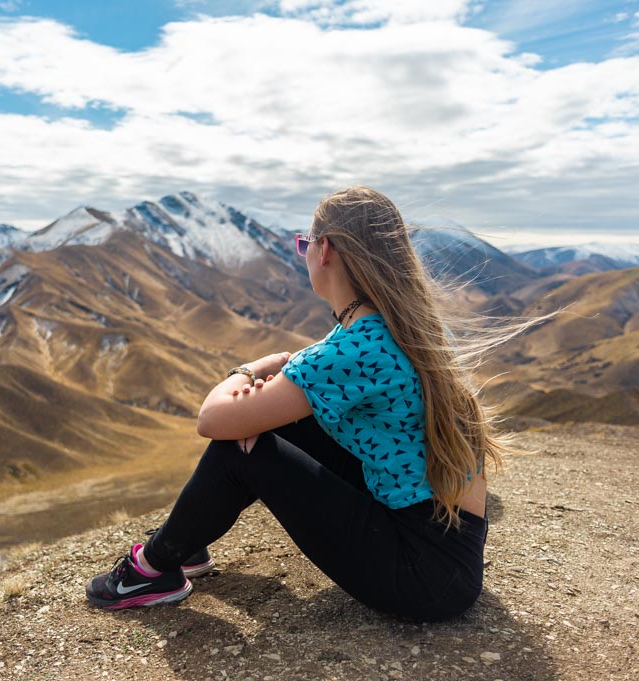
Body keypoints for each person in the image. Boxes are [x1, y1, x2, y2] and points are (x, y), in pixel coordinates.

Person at [86, 186, 505, 622]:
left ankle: (151, 569)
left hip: (423, 574)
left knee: (240, 444)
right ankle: (186, 539)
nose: (305, 253)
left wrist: (250, 369)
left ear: (325, 251)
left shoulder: (359, 346)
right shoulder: (408, 325)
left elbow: (213, 420)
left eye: (305, 244)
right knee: (283, 422)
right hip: (448, 543)